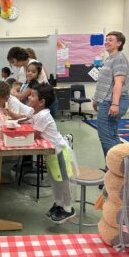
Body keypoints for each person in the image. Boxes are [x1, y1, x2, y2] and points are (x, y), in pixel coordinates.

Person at [28, 83, 76, 223]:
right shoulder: (37, 113)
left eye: (32, 96)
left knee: (63, 182)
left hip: (59, 153)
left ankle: (68, 209)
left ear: (41, 102)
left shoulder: (43, 115)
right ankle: (59, 204)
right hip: (51, 153)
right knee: (55, 181)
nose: (29, 98)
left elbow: (35, 134)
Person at [92, 31, 129, 171]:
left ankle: (112, 171)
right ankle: (121, 168)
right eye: (106, 39)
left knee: (106, 137)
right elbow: (103, 83)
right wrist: (96, 100)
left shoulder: (119, 58)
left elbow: (118, 83)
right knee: (112, 135)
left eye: (111, 40)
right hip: (105, 101)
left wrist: (115, 104)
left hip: (113, 102)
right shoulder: (109, 59)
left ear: (119, 43)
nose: (107, 42)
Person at [7, 47, 58, 117]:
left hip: (45, 101)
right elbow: (23, 84)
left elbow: (23, 95)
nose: (13, 65)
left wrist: (13, 93)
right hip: (40, 101)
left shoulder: (33, 65)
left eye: (13, 62)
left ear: (18, 58)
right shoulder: (25, 67)